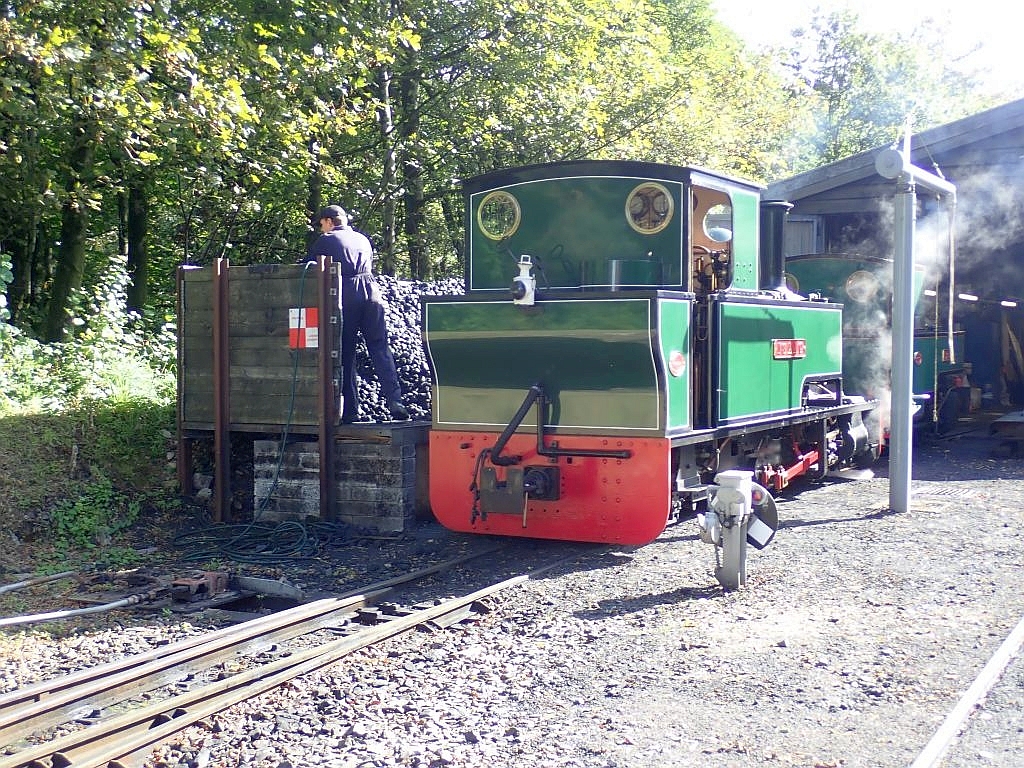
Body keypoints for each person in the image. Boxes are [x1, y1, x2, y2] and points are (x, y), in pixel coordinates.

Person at [309, 205, 410, 423]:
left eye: (321, 224)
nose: (321, 228)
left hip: (346, 293)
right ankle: (396, 401)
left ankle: (351, 410)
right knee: (380, 347)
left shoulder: (326, 240)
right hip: (372, 293)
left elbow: (308, 267)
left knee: (346, 352)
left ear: (329, 221)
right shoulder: (363, 239)